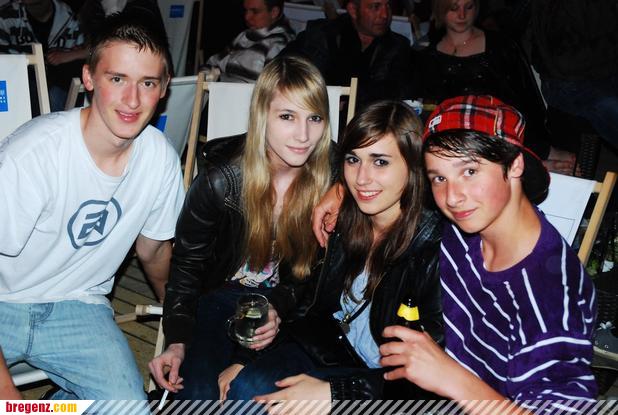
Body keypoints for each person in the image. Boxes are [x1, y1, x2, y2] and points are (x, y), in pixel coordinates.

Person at [0, 11, 185, 399]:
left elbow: (154, 252)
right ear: (88, 77)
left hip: (79, 306)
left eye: (147, 83)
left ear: (164, 87)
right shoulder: (32, 154)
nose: (132, 99)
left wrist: (180, 324)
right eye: (117, 79)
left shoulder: (159, 158)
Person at [217, 101, 444, 407]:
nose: (361, 178)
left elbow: (428, 374)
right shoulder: (340, 220)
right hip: (327, 347)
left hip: (383, 383)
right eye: (353, 160)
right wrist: (246, 355)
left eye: (380, 162)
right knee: (244, 391)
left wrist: (339, 392)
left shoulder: (434, 250)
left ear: (413, 165)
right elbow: (303, 292)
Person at [380, 95, 597, 413]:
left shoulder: (550, 296)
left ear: (515, 164)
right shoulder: (465, 224)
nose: (452, 197)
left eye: (469, 171)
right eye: (439, 178)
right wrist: (339, 190)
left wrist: (451, 378)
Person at [149, 55, 333, 400]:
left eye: (315, 118)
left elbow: (318, 277)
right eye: (287, 117)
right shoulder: (221, 181)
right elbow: (187, 266)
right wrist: (177, 340)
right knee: (197, 395)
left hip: (292, 307)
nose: (304, 135)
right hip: (220, 297)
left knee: (249, 395)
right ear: (262, 115)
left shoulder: (335, 180)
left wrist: (279, 307)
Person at [413, 0, 575, 174]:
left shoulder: (501, 46)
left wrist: (539, 146)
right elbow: (427, 109)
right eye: (454, 8)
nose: (462, 15)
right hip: (457, 141)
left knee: (567, 164)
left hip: (507, 131)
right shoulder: (426, 54)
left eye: (469, 7)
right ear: (441, 9)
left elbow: (526, 99)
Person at [280, 0, 412, 109]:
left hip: (368, 124)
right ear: (353, 10)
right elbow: (282, 68)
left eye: (388, 6)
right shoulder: (321, 35)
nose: (385, 15)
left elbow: (401, 92)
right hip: (315, 115)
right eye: (375, 7)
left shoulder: (398, 47)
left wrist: (350, 99)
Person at [531, 0, 618, 152]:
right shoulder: (558, 8)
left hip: (598, 69)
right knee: (610, 106)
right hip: (568, 84)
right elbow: (565, 62)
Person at [0, 0, 87, 111]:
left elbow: (86, 50)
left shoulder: (67, 15)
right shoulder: (7, 16)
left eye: (38, 4)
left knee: (57, 91)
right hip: (19, 79)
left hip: (59, 80)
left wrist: (67, 56)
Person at [203, 0, 295, 83]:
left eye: (255, 11)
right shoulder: (245, 35)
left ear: (274, 12)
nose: (247, 17)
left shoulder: (279, 45)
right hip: (220, 88)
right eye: (246, 10)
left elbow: (269, 89)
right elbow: (215, 62)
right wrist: (205, 73)